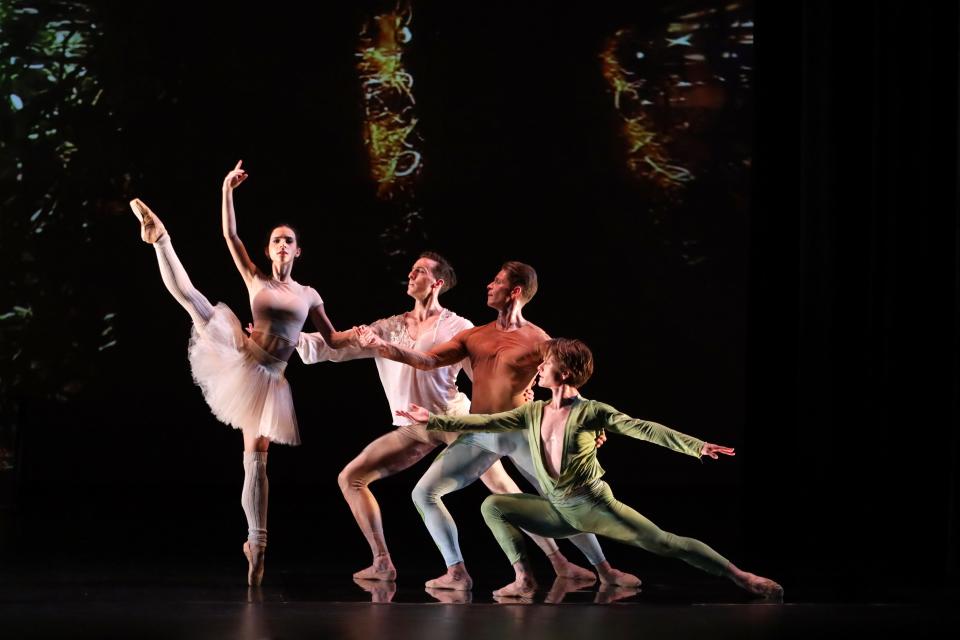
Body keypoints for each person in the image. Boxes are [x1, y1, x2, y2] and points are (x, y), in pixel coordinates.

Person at [397, 338, 784, 599]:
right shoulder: (532, 411)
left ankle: (739, 576)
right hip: (556, 509)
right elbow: (484, 422)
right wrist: (433, 419)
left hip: (594, 506)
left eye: (545, 365)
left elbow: (641, 428)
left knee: (664, 543)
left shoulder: (591, 412)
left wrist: (695, 446)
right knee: (494, 505)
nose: (538, 370)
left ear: (563, 373)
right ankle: (524, 579)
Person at [297, 253, 599, 585]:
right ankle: (384, 561)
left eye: (420, 271)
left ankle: (558, 562)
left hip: (454, 420)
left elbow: (488, 374)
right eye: (411, 270)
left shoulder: (459, 326)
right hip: (413, 425)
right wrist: (285, 335)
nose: (411, 275)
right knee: (351, 477)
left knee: (503, 486)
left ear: (437, 283)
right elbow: (334, 345)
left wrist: (521, 393)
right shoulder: (388, 327)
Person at [129, 160, 354, 586]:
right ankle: (160, 239)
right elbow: (231, 235)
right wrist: (226, 190)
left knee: (257, 461)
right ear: (268, 250)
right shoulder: (256, 278)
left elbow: (334, 339)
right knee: (196, 304)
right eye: (276, 241)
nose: (282, 245)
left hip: (270, 379)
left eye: (288, 241)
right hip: (242, 355)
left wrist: (368, 340)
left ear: (298, 250)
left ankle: (257, 544)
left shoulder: (309, 294)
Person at [358, 262, 638, 590]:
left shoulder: (537, 339)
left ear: (515, 292)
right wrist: (382, 347)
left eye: (497, 281)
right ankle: (460, 572)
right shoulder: (475, 336)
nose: (489, 286)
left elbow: (567, 381)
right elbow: (428, 360)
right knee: (424, 494)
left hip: (519, 431)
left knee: (561, 497)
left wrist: (587, 424)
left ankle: (605, 570)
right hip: (480, 432)